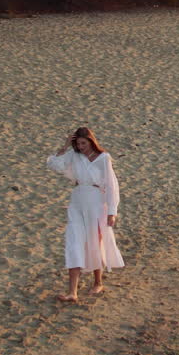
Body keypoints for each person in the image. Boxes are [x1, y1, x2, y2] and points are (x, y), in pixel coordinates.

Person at [47, 127, 124, 302]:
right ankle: (72, 292)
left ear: (91, 141)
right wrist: (66, 146)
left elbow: (112, 185)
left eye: (83, 143)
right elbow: (54, 165)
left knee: (95, 241)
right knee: (74, 242)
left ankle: (98, 282)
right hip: (78, 201)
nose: (81, 147)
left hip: (97, 202)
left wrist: (112, 211)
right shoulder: (74, 155)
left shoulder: (103, 158)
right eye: (78, 143)